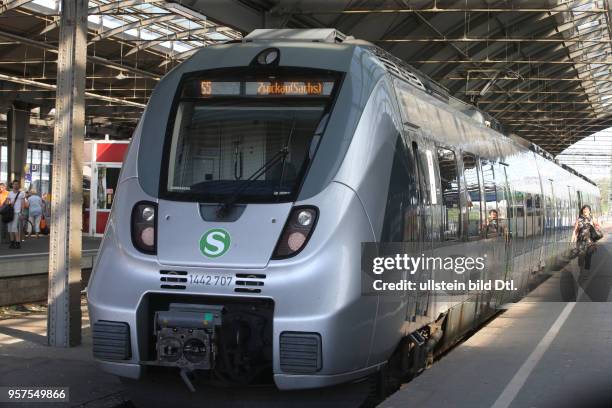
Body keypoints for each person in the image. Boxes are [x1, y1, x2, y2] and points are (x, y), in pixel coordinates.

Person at [571, 204, 602, 271]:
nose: (585, 211)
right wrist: (572, 239)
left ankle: (586, 272)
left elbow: (598, 227)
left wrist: (594, 226)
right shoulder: (579, 220)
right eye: (584, 210)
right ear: (582, 211)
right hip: (580, 241)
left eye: (587, 210)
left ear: (589, 211)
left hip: (590, 241)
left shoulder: (592, 219)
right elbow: (575, 230)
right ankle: (581, 269)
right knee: (580, 256)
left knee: (588, 256)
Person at [7, 180, 27, 249]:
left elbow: (23, 203)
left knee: (14, 228)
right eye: (14, 184)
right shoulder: (9, 193)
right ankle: (12, 242)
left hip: (17, 212)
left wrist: (22, 213)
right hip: (10, 213)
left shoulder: (21, 193)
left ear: (19, 185)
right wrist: (9, 204)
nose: (15, 185)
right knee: (10, 229)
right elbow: (7, 202)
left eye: (17, 184)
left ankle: (18, 243)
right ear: (12, 185)